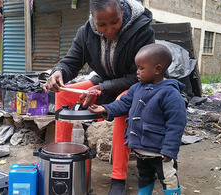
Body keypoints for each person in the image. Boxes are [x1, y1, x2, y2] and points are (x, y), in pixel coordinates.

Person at [43, 0, 154, 194]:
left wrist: (101, 87)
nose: (109, 29)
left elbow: (139, 75)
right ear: (93, 19)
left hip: (136, 86)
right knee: (64, 94)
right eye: (102, 24)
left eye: (115, 22)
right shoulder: (85, 33)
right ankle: (62, 156)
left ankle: (118, 177)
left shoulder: (142, 30)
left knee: (121, 105)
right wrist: (59, 72)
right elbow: (72, 61)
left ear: (121, 10)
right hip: (103, 85)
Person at [88, 43, 187, 195]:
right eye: (137, 67)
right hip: (141, 149)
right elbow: (123, 103)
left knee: (168, 179)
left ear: (157, 69)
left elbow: (176, 124)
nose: (137, 72)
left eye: (141, 68)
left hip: (161, 153)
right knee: (144, 177)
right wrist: (106, 108)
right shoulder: (137, 88)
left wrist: (170, 149)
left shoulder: (170, 94)